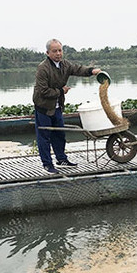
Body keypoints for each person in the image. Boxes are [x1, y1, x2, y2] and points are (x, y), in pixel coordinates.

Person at [33, 38, 101, 174]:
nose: (58, 53)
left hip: (57, 106)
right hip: (44, 107)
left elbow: (78, 69)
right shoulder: (43, 68)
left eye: (60, 50)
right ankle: (47, 164)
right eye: (54, 51)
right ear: (47, 53)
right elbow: (43, 91)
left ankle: (61, 159)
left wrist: (91, 71)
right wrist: (60, 91)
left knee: (59, 134)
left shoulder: (65, 65)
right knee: (44, 136)